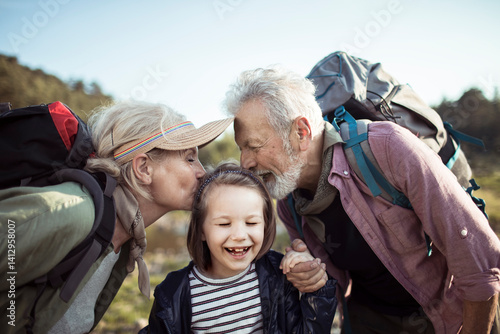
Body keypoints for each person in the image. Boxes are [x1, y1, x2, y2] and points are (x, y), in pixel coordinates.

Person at [223, 66, 500, 334]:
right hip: (369, 320)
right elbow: (334, 285)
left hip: (451, 318)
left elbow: (479, 260)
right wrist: (312, 276)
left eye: (254, 146)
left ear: (301, 133)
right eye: (241, 148)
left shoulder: (388, 148)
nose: (244, 162)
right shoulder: (288, 201)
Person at [0, 100, 233, 334]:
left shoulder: (121, 238)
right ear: (143, 168)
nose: (202, 172)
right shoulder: (72, 212)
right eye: (190, 158)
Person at [141, 162, 337, 333]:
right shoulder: (174, 293)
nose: (239, 236)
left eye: (251, 223)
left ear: (266, 224)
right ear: (201, 230)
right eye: (224, 224)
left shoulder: (279, 276)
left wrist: (314, 290)